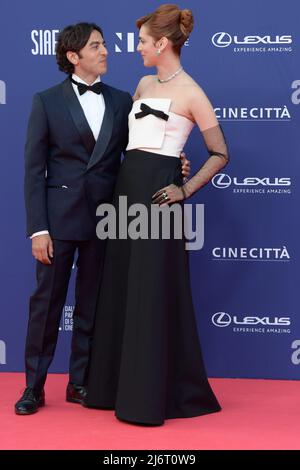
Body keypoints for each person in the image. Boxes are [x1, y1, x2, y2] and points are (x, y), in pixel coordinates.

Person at [15, 21, 189, 415]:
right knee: (47, 306)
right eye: (96, 46)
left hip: (107, 220)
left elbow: (142, 150)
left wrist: (173, 161)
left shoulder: (121, 100)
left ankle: (80, 382)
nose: (106, 51)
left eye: (104, 44)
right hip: (58, 222)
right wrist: (38, 229)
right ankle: (33, 387)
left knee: (93, 305)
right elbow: (32, 170)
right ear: (74, 56)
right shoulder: (46, 101)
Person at [84, 5, 229, 426]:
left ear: (162, 43)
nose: (138, 48)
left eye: (144, 42)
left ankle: (148, 398)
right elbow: (136, 139)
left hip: (159, 201)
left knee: (151, 292)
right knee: (123, 287)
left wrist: (183, 184)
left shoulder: (193, 93)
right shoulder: (145, 82)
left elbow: (221, 153)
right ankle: (111, 389)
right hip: (126, 191)